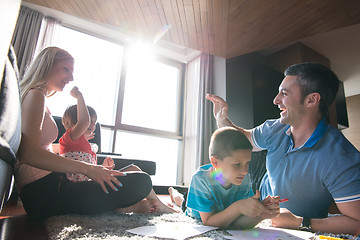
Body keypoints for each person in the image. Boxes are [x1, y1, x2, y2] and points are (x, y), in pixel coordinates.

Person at [14, 46, 177, 221]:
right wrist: (89, 169)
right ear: (46, 65)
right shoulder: (35, 95)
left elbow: (40, 147)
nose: (71, 78)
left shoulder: (38, 99)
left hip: (54, 186)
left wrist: (91, 167)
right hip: (45, 193)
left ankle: (123, 207)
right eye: (66, 69)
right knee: (141, 181)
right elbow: (28, 153)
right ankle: (124, 207)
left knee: (137, 177)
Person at [206, 62, 360, 235]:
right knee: (207, 195)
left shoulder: (340, 156)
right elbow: (241, 140)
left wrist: (300, 222)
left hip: (291, 228)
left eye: (284, 93)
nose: (276, 100)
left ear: (311, 100)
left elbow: (357, 222)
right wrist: (221, 119)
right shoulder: (275, 127)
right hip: (258, 188)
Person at [185, 127, 280, 229]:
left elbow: (237, 221)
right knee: (181, 203)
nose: (245, 171)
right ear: (215, 162)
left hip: (224, 209)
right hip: (199, 211)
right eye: (237, 164)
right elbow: (208, 222)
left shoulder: (244, 179)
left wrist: (262, 212)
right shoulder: (201, 179)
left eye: (247, 163)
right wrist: (238, 207)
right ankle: (175, 194)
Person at [59, 87, 114, 182]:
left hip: (88, 182)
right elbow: (84, 121)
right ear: (74, 122)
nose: (93, 125)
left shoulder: (84, 145)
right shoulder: (70, 138)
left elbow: (89, 172)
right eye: (90, 121)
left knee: (134, 170)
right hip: (79, 187)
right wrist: (79, 96)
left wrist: (103, 167)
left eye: (94, 122)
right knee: (134, 171)